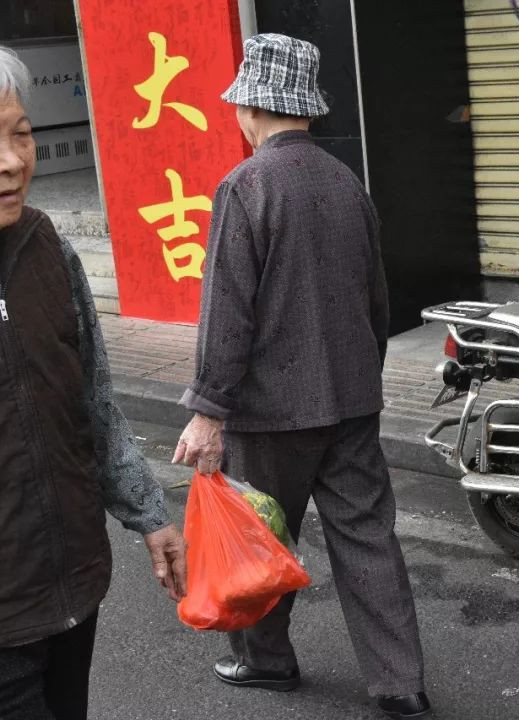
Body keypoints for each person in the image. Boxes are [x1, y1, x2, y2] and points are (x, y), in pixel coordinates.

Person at [171, 33, 430, 720]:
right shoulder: (347, 183)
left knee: (261, 533)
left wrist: (208, 410)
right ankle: (400, 682)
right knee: (368, 536)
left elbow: (227, 312)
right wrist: (360, 381)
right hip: (349, 400)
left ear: (252, 106)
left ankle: (268, 663)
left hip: (270, 409)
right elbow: (376, 299)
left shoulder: (246, 184)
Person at [0, 35, 186, 720]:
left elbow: (92, 401)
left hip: (72, 592)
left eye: (23, 135)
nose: (12, 162)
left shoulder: (47, 249)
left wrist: (149, 513)